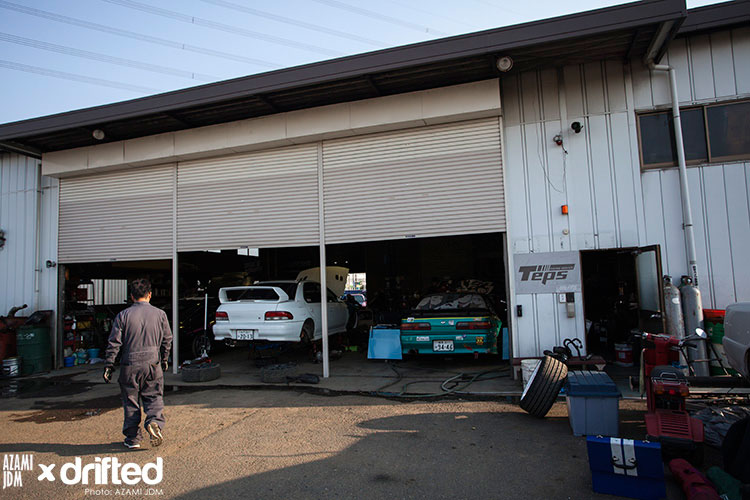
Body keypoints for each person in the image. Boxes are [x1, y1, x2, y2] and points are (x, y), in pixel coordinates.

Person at [103, 278, 173, 449]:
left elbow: (114, 342)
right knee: (154, 396)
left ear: (131, 297)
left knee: (131, 401)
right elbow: (167, 339)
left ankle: (133, 438)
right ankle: (154, 421)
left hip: (130, 364)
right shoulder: (160, 314)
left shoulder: (123, 316)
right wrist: (164, 359)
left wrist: (109, 364)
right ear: (150, 294)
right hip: (152, 364)